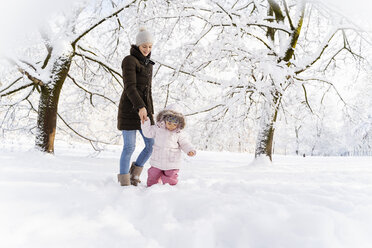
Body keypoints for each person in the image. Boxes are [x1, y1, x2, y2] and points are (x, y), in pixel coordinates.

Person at [117, 27, 155, 186]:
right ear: (138, 45)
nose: (147, 49)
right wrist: (140, 107)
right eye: (144, 46)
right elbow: (130, 87)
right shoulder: (129, 60)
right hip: (130, 110)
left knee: (151, 145)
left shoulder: (148, 64)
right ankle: (125, 180)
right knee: (129, 147)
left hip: (145, 111)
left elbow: (147, 91)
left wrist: (150, 111)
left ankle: (135, 173)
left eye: (150, 46)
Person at [141, 105, 196, 187]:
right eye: (169, 123)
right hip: (157, 160)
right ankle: (151, 190)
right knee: (152, 176)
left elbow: (185, 143)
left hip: (172, 162)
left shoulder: (179, 133)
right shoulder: (158, 129)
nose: (171, 126)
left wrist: (190, 150)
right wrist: (145, 122)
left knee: (170, 179)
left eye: (174, 124)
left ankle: (170, 192)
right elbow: (148, 133)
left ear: (179, 124)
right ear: (164, 120)